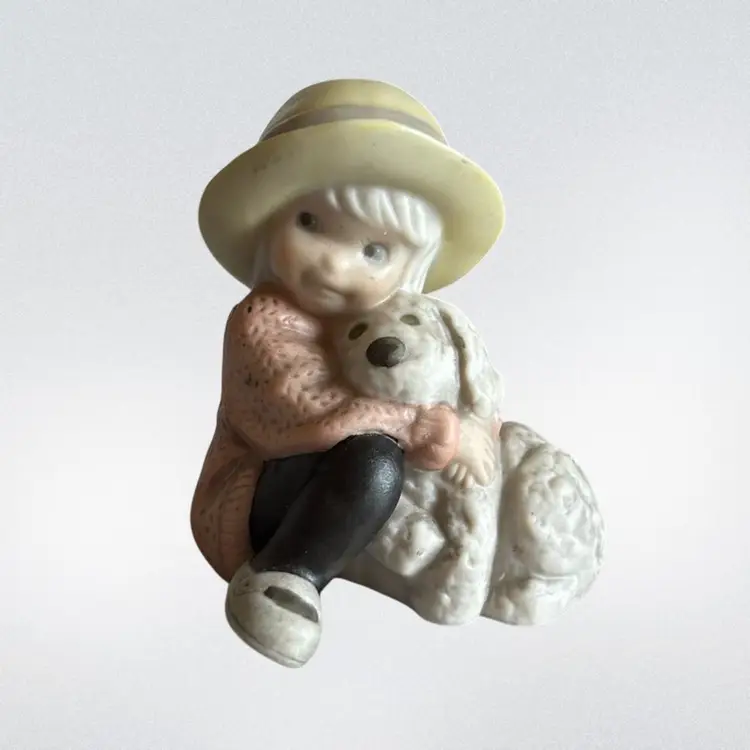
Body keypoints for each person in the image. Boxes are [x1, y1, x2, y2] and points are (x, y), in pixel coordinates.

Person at [191, 79, 506, 668]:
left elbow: (466, 394)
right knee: (372, 457)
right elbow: (306, 412)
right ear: (270, 220)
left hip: (362, 494)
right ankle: (283, 576)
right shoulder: (263, 320)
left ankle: (439, 559)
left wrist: (472, 428)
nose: (334, 264)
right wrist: (434, 428)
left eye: (374, 251)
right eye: (310, 222)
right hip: (264, 495)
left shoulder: (400, 326)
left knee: (403, 468)